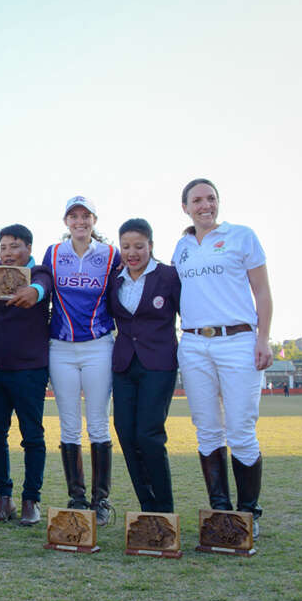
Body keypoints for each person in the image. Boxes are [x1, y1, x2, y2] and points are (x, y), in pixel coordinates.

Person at [172, 179, 272, 538]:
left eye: (211, 198)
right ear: (185, 207)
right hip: (195, 343)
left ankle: (248, 514)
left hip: (238, 340)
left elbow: (262, 291)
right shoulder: (181, 247)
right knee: (207, 430)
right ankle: (220, 512)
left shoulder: (241, 236)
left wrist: (263, 338)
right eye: (197, 200)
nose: (205, 205)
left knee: (241, 431)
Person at [42, 196, 120, 526]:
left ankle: (101, 501)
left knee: (99, 421)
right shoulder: (54, 252)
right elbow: (42, 282)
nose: (79, 221)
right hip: (60, 346)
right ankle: (77, 497)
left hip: (98, 344)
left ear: (94, 220)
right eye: (73, 216)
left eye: (85, 216)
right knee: (69, 423)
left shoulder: (110, 254)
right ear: (66, 222)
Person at [0, 224, 53, 526]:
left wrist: (33, 292)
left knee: (32, 437)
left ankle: (30, 501)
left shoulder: (41, 273)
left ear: (29, 249)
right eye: (3, 247)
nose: (7, 253)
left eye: (14, 246)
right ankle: (3, 499)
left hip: (29, 370)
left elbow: (44, 286)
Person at [109, 218, 181, 513]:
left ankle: (163, 510)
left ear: (151, 245)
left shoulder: (169, 276)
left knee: (148, 435)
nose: (132, 252)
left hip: (159, 363)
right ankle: (147, 506)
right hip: (124, 365)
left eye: (139, 246)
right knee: (125, 432)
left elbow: (189, 314)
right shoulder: (114, 279)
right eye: (125, 246)